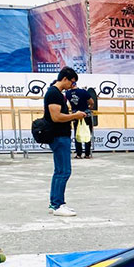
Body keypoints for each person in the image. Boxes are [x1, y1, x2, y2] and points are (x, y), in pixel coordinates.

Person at [44, 68, 88, 217]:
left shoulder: (57, 94)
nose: (72, 85)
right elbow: (56, 117)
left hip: (61, 135)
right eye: (72, 81)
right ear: (65, 79)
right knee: (64, 171)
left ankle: (55, 202)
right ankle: (57, 204)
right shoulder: (54, 94)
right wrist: (74, 116)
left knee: (60, 171)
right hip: (59, 136)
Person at [66, 84, 94, 159]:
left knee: (77, 133)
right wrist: (89, 108)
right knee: (87, 133)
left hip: (75, 114)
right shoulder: (83, 92)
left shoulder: (67, 93)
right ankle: (87, 154)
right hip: (85, 114)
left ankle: (78, 154)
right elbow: (92, 102)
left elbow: (69, 104)